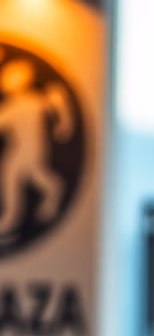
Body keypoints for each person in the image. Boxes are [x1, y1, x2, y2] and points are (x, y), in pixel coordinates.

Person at [0, 51, 74, 239]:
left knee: (12, 176)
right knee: (34, 176)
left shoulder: (24, 104)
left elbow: (58, 97)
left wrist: (63, 123)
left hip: (26, 151)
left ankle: (10, 218)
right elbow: (58, 98)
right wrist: (62, 123)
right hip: (32, 151)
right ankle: (52, 191)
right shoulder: (32, 102)